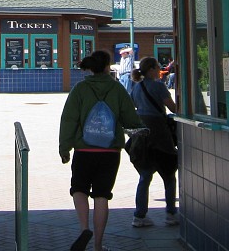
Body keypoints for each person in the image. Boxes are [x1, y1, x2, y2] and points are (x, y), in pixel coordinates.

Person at [59, 50, 144, 251]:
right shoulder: (117, 89)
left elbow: (69, 119)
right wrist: (141, 127)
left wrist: (65, 146)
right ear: (107, 67)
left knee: (78, 189)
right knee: (102, 195)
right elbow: (130, 119)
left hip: (84, 149)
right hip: (110, 151)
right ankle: (98, 245)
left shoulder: (80, 89)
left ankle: (83, 228)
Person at [128, 56, 179, 227]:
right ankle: (171, 214)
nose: (159, 70)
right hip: (160, 135)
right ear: (150, 70)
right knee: (169, 175)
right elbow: (172, 107)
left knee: (144, 176)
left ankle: (139, 216)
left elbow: (132, 106)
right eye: (157, 67)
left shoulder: (137, 87)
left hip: (142, 137)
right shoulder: (158, 86)